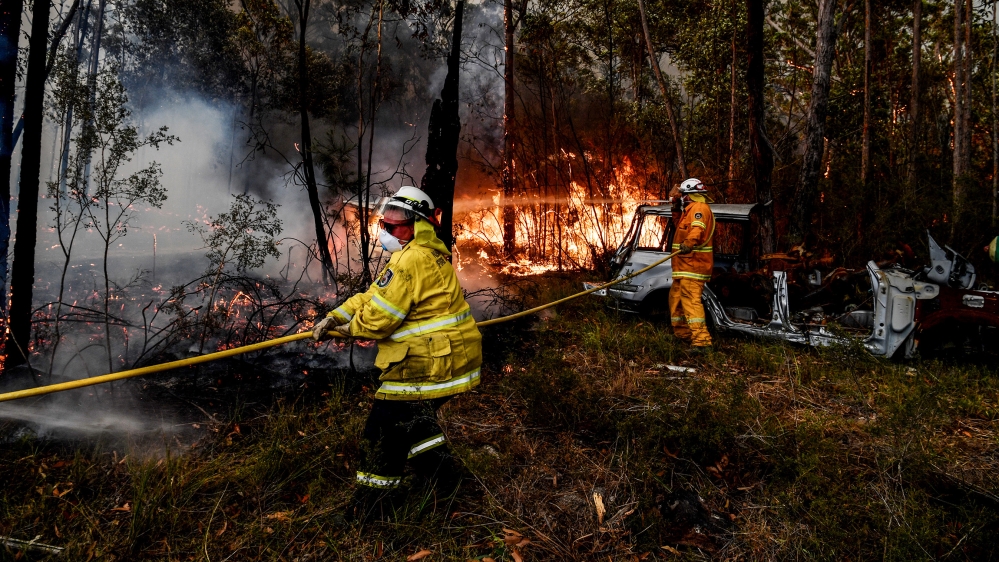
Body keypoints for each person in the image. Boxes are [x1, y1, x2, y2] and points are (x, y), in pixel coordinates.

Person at [312, 185, 483, 522]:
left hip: (430, 363)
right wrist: (338, 315)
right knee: (415, 424)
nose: (385, 232)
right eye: (382, 225)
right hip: (446, 358)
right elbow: (373, 296)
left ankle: (369, 509)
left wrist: (344, 330)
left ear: (417, 226)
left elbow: (378, 320)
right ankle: (447, 483)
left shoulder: (411, 260)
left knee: (383, 432)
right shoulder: (417, 255)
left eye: (392, 227)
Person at [668, 178, 715, 352]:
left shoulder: (699, 208)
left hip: (693, 267)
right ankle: (684, 335)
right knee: (676, 301)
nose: (681, 197)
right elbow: (678, 225)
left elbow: (697, 229)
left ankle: (702, 342)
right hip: (682, 268)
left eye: (682, 194)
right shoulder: (688, 211)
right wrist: (674, 206)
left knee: (691, 303)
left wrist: (689, 243)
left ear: (689, 194)